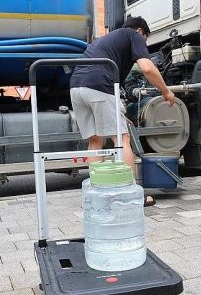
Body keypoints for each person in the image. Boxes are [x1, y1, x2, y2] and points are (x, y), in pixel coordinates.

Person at [69, 16, 175, 207]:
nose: (144, 44)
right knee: (122, 139)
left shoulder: (106, 41)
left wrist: (121, 115)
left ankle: (98, 192)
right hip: (99, 86)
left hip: (76, 87)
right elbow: (147, 68)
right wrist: (166, 91)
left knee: (95, 140)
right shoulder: (133, 35)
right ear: (141, 32)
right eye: (146, 39)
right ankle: (130, 195)